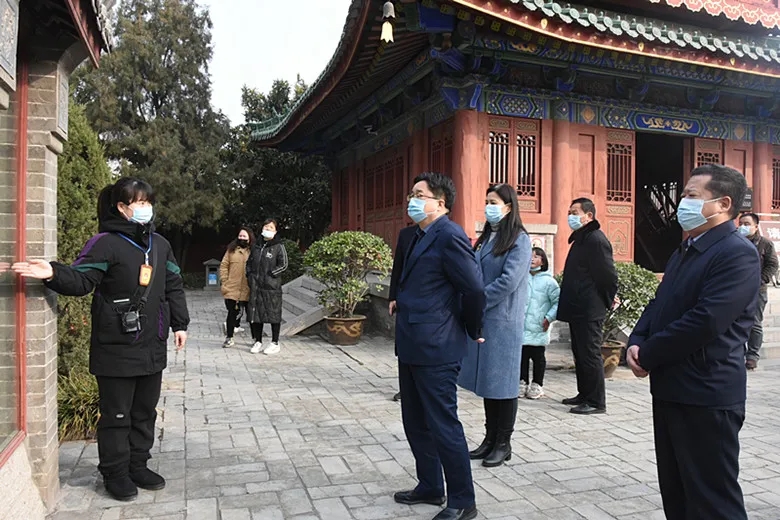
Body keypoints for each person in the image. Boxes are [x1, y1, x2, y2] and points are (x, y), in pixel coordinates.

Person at [12, 178, 189, 502]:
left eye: (148, 202)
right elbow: (82, 280)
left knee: (144, 412)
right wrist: (53, 272)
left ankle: (138, 465)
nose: (146, 208)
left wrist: (180, 324)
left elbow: (173, 285)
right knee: (117, 415)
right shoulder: (104, 243)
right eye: (139, 202)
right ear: (121, 207)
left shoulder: (160, 244)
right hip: (116, 347)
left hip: (151, 344)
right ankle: (115, 472)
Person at [626, 164, 759, 520]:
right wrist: (636, 339)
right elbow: (660, 303)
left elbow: (706, 320)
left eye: (691, 196)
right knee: (677, 493)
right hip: (671, 388)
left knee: (713, 500)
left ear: (723, 204)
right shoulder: (686, 250)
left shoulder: (736, 253)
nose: (682, 202)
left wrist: (649, 353)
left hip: (706, 393)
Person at [393, 172, 485, 520]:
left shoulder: (449, 235)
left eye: (419, 195)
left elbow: (473, 288)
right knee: (415, 422)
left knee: (444, 425)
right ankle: (431, 485)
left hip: (438, 345)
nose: (411, 200)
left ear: (440, 203)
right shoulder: (416, 235)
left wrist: (472, 327)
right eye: (411, 194)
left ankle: (463, 500)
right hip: (411, 341)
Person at [458, 184, 530, 468]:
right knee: (490, 382)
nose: (488, 207)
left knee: (504, 384)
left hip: (504, 321)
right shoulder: (488, 237)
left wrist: (478, 301)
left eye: (494, 202)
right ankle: (489, 438)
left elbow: (508, 281)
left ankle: (503, 442)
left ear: (508, 207)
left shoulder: (519, 239)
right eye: (487, 201)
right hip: (486, 319)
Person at [557, 197, 618, 415]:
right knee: (580, 352)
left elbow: (608, 276)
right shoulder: (581, 239)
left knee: (590, 354)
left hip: (590, 308)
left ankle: (596, 401)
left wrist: (607, 300)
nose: (570, 216)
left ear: (589, 216)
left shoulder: (596, 240)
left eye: (575, 212)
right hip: (578, 307)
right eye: (569, 212)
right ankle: (584, 394)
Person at [738, 212, 778, 370]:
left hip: (757, 290)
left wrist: (761, 280)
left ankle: (752, 356)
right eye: (741, 223)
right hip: (737, 289)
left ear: (756, 226)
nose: (743, 227)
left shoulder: (765, 244)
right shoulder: (735, 242)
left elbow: (773, 265)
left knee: (754, 323)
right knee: (736, 321)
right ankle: (738, 353)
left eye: (747, 224)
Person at [521, 247, 560, 400]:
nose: (532, 259)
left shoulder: (549, 281)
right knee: (522, 356)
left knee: (538, 357)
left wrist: (549, 318)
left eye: (536, 256)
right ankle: (522, 382)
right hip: (522, 324)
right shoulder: (521, 278)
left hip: (539, 325)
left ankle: (537, 384)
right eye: (530, 256)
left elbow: (557, 302)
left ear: (543, 261)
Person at [246, 218, 288, 354]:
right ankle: (257, 341)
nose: (268, 229)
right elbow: (249, 262)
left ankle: (275, 342)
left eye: (271, 227)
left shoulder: (278, 246)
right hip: (256, 286)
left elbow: (283, 264)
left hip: (271, 287)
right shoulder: (256, 246)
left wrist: (271, 274)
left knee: (273, 314)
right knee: (256, 315)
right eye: (266, 227)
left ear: (275, 231)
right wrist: (249, 275)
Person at [388, 225, 418, 402]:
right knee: (404, 345)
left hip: (429, 305)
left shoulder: (448, 234)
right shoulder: (406, 234)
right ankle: (405, 388)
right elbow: (398, 266)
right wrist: (393, 296)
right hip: (405, 300)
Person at [220, 227, 253, 348]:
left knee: (251, 315)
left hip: (248, 287)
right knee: (231, 313)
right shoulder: (231, 250)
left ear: (249, 238)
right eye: (240, 236)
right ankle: (229, 337)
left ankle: (256, 339)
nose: (242, 238)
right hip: (232, 287)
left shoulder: (254, 251)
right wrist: (225, 281)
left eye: (244, 236)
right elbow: (224, 265)